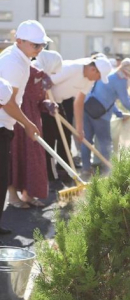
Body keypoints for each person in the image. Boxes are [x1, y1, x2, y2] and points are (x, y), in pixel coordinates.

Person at [0, 19, 46, 238]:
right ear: (19, 41)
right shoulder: (12, 63)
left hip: (6, 123)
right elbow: (6, 102)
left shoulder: (20, 57)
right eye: (35, 45)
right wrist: (28, 124)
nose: (39, 49)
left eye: (43, 45)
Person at [45, 54, 112, 187]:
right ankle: (50, 178)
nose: (98, 79)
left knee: (65, 136)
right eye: (99, 76)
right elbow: (46, 83)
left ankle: (66, 173)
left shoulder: (89, 79)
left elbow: (79, 102)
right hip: (45, 103)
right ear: (94, 70)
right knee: (50, 139)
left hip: (58, 103)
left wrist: (79, 129)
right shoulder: (72, 68)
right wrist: (48, 103)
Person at [8, 50, 62, 208]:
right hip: (18, 119)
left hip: (34, 122)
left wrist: (49, 105)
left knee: (33, 158)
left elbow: (40, 101)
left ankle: (28, 194)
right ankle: (13, 197)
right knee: (15, 156)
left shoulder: (43, 78)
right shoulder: (27, 70)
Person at [81, 58, 130, 177]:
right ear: (128, 72)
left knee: (86, 141)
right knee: (105, 142)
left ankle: (85, 169)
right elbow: (125, 101)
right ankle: (107, 170)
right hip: (100, 115)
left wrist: (116, 111)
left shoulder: (108, 74)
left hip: (87, 108)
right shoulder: (120, 80)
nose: (129, 79)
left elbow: (106, 96)